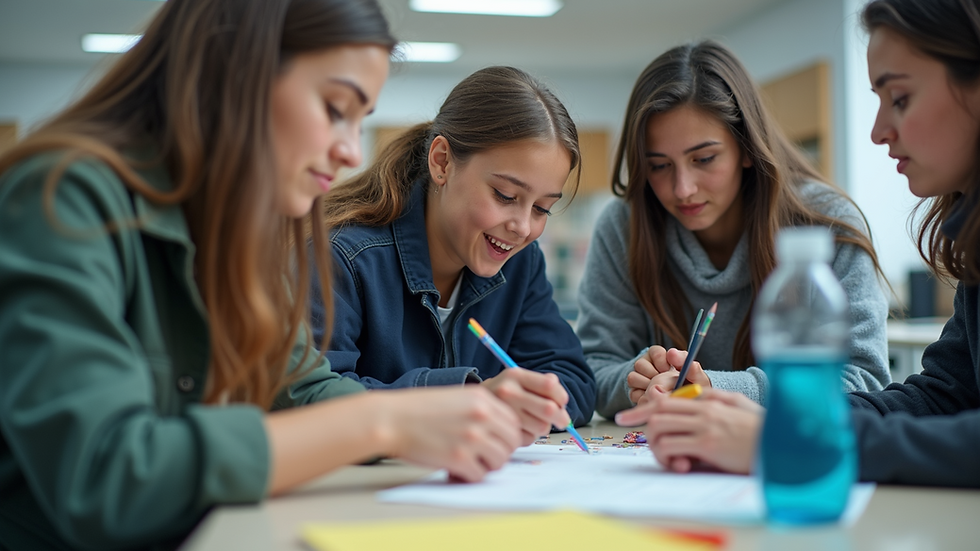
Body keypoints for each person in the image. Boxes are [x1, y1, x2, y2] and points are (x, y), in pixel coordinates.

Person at [0, 1, 523, 550]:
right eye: (334, 107)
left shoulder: (236, 229)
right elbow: (107, 477)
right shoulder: (60, 198)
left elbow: (300, 386)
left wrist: (418, 416)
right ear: (236, 74)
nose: (349, 151)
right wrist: (380, 423)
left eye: (360, 121)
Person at [619, 0, 980, 488]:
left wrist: (781, 437)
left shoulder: (825, 224)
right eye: (660, 165)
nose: (877, 132)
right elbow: (941, 397)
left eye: (899, 98)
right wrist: (772, 421)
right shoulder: (972, 233)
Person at [576, 40, 891, 419]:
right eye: (659, 165)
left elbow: (865, 380)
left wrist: (713, 389)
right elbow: (594, 369)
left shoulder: (823, 224)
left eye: (704, 159)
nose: (683, 189)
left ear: (746, 146)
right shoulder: (623, 227)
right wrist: (638, 380)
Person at [310, 66, 597, 443]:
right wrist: (465, 397)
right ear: (442, 162)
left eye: (542, 208)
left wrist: (524, 404)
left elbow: (572, 379)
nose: (523, 227)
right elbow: (312, 401)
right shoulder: (343, 256)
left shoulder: (520, 262)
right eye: (506, 196)